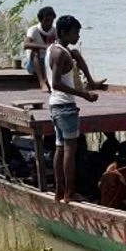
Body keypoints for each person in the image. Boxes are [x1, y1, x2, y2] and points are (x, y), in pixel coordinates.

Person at [45, 15, 106, 203]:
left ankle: (59, 191)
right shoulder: (61, 54)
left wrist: (78, 60)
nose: (77, 37)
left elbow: (58, 78)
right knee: (70, 150)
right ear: (64, 32)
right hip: (65, 106)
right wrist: (84, 95)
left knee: (60, 148)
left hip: (55, 105)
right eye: (75, 33)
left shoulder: (53, 49)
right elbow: (56, 83)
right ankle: (70, 193)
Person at [23, 6, 57, 91]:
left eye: (51, 21)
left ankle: (48, 80)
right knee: (35, 51)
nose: (49, 23)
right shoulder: (33, 30)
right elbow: (26, 44)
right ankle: (42, 82)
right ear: (41, 20)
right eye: (46, 21)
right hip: (34, 64)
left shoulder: (55, 30)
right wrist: (45, 47)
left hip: (48, 61)